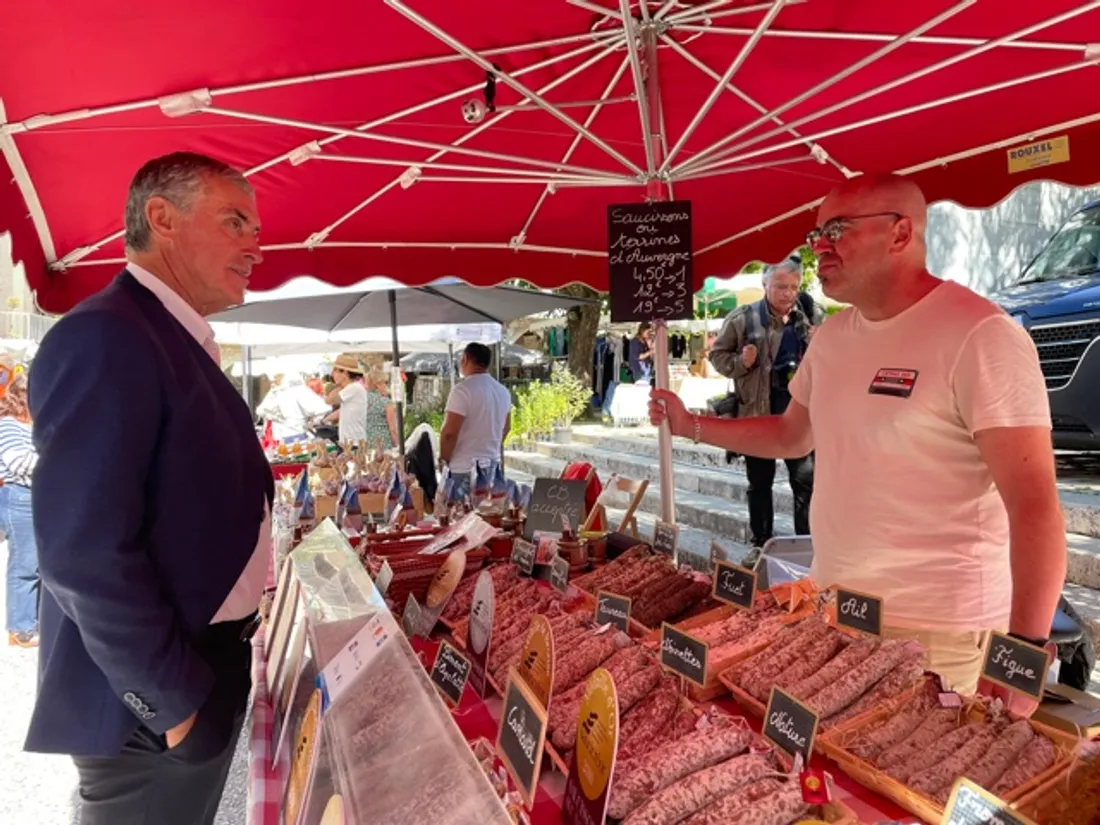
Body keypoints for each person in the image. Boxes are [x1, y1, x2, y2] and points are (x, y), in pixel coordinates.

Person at [650, 173, 1064, 706]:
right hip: (835, 617)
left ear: (900, 234)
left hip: (942, 636)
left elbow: (1035, 505)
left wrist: (1023, 654)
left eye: (838, 230)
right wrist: (692, 427)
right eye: (817, 232)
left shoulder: (981, 335)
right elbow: (793, 434)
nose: (819, 247)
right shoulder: (832, 337)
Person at [27, 151, 273, 824]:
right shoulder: (108, 335)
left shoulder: (170, 336)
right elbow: (82, 551)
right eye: (234, 220)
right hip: (157, 698)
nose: (256, 243)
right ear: (161, 218)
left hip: (197, 671)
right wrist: (173, 704)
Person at [709, 259, 819, 552]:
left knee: (805, 484)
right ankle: (760, 544)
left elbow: (835, 359)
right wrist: (740, 363)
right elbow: (717, 356)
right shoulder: (743, 318)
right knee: (759, 484)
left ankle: (807, 545)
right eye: (781, 286)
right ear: (765, 285)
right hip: (758, 416)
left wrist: (821, 346)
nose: (788, 293)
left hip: (799, 418)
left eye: (794, 287)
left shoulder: (811, 316)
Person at [0, 365, 40, 648]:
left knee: (37, 564)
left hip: (36, 497)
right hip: (20, 498)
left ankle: (32, 619)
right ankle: (20, 629)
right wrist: (54, 456)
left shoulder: (33, 425)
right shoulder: (8, 425)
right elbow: (18, 461)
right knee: (25, 566)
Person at [440, 343, 511, 495]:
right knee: (487, 514)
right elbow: (507, 427)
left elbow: (449, 433)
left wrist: (444, 460)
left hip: (463, 467)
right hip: (492, 465)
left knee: (459, 516)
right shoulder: (503, 391)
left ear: (465, 359)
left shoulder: (462, 390)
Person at [255, 372, 330, 442]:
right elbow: (323, 409)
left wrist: (276, 417)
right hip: (299, 433)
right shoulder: (302, 391)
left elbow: (260, 411)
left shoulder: (277, 393)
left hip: (281, 435)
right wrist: (313, 421)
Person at [324, 353, 368, 444]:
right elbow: (343, 410)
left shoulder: (353, 387)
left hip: (353, 441)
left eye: (335, 370)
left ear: (344, 372)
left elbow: (329, 400)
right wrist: (326, 419)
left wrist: (339, 385)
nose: (332, 374)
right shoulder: (351, 388)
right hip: (351, 441)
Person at [362, 368, 400, 451]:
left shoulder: (362, 398)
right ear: (377, 384)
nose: (386, 386)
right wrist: (398, 447)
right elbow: (392, 429)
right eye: (385, 383)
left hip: (365, 441)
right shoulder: (385, 402)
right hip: (382, 443)